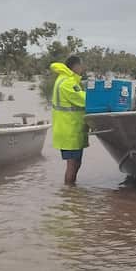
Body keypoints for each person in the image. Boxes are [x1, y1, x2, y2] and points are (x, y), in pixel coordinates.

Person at [50, 56, 87, 185]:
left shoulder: (66, 80)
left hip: (72, 130)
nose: (83, 69)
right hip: (69, 131)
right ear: (75, 66)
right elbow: (83, 99)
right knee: (72, 164)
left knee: (76, 163)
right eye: (81, 66)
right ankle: (69, 194)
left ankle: (71, 194)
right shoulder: (67, 82)